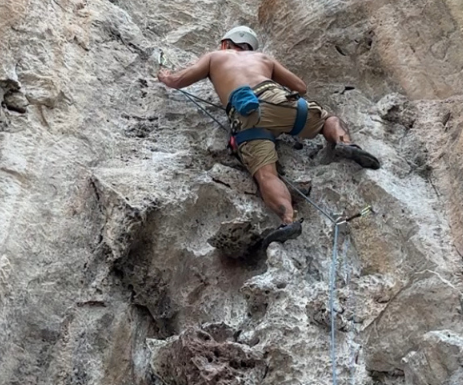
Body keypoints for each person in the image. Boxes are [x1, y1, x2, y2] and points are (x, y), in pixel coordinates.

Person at [157, 26, 379, 245]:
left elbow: (177, 82)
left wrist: (165, 75)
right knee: (327, 119)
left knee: (266, 175)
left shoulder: (216, 56)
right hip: (278, 100)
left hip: (247, 115)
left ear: (226, 43)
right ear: (250, 47)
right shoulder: (263, 58)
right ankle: (344, 143)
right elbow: (300, 87)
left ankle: (288, 220)